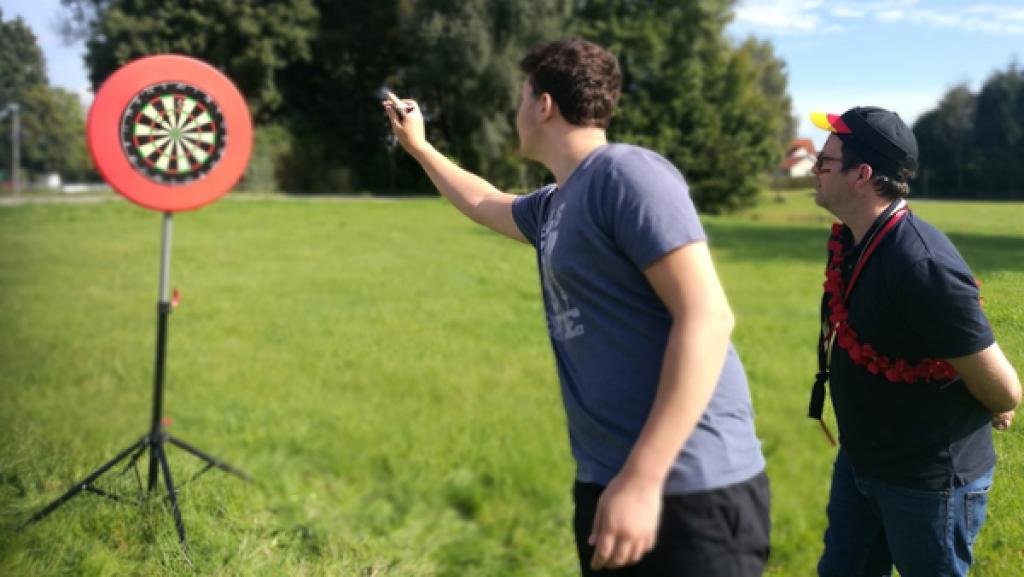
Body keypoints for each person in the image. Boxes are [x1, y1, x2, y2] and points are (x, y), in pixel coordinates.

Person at [382, 39, 769, 576]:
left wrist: (643, 478)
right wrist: (420, 147)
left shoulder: (626, 174)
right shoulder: (558, 201)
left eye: (521, 98)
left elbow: (708, 316)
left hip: (686, 486)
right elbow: (485, 201)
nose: (516, 113)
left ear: (544, 105)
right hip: (611, 481)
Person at [807, 106, 1021, 577]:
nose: (814, 169)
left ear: (862, 174)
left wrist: (990, 398)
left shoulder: (922, 264)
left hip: (926, 482)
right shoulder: (854, 240)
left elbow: (1006, 392)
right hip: (862, 460)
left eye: (824, 161)